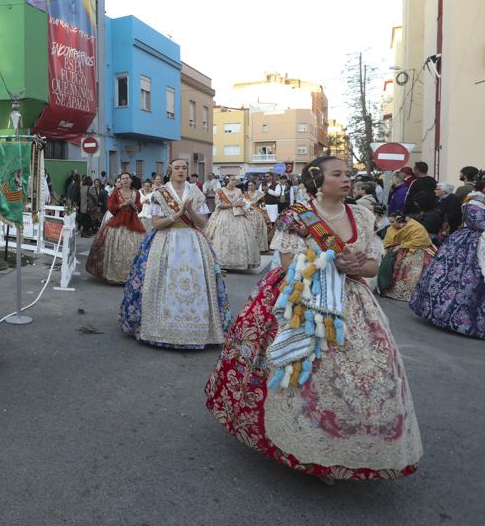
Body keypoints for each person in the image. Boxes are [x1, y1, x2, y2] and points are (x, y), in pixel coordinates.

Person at [205, 156, 422, 481]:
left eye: (348, 173)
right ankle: (300, 443)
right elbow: (289, 260)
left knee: (363, 377)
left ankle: (345, 447)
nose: (347, 179)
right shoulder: (297, 217)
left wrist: (356, 267)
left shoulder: (362, 217)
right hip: (302, 299)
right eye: (338, 174)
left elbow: (372, 267)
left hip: (352, 304)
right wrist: (336, 262)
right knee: (299, 373)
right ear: (316, 180)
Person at [119, 159, 230, 348]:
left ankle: (198, 329)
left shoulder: (195, 191)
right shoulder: (160, 193)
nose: (181, 170)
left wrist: (189, 211)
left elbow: (202, 223)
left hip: (193, 242)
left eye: (184, 168)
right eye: (177, 167)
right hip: (165, 240)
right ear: (170, 171)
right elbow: (155, 224)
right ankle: (158, 328)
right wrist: (175, 216)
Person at [410, 174, 485, 339]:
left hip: (476, 240)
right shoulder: (476, 200)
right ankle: (452, 317)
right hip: (472, 243)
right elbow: (477, 223)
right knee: (464, 278)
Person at [86, 172, 146, 284]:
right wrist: (122, 205)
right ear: (120, 181)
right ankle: (115, 275)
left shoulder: (136, 193)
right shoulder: (115, 193)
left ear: (131, 180)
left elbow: (139, 208)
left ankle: (132, 276)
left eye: (127, 178)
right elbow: (111, 208)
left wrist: (134, 205)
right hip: (118, 223)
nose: (125, 180)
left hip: (133, 222)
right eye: (123, 179)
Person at [204, 176, 260, 271]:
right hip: (223, 216)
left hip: (237, 215)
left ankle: (239, 263)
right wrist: (232, 205)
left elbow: (243, 202)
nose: (235, 181)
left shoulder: (238, 191)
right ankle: (222, 262)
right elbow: (218, 205)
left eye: (236, 180)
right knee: (223, 238)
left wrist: (244, 205)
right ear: (227, 181)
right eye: (233, 180)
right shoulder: (220, 191)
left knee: (240, 237)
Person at [378, 215, 436, 301]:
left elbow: (421, 240)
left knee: (409, 265)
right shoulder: (394, 228)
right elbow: (391, 241)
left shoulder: (415, 227)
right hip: (405, 247)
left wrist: (403, 245)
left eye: (394, 222)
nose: (392, 224)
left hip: (420, 249)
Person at [244, 179, 271, 253]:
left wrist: (266, 215)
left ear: (255, 186)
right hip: (248, 214)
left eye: (251, 185)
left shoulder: (260, 194)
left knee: (258, 231)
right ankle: (250, 248)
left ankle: (259, 248)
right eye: (249, 185)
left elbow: (263, 205)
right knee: (249, 231)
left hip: (257, 214)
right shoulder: (246, 194)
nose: (250, 187)